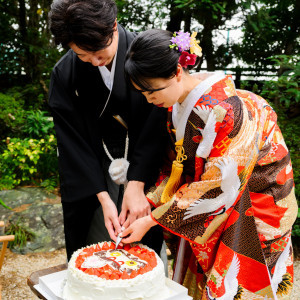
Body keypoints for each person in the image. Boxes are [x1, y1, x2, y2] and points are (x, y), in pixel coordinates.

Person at [121, 29, 298, 299]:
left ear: (177, 72)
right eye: (142, 93)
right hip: (220, 197)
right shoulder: (178, 104)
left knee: (241, 282)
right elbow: (176, 167)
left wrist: (153, 219)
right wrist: (152, 204)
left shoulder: (229, 109)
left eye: (151, 91)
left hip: (255, 202)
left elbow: (220, 185)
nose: (149, 100)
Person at [48, 0, 166, 261]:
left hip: (145, 157)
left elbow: (158, 121)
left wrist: (137, 184)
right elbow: (72, 142)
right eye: (82, 55)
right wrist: (102, 197)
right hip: (93, 162)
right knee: (92, 240)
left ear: (112, 26)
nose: (95, 61)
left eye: (98, 51)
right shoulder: (64, 72)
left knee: (143, 241)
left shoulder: (146, 54)